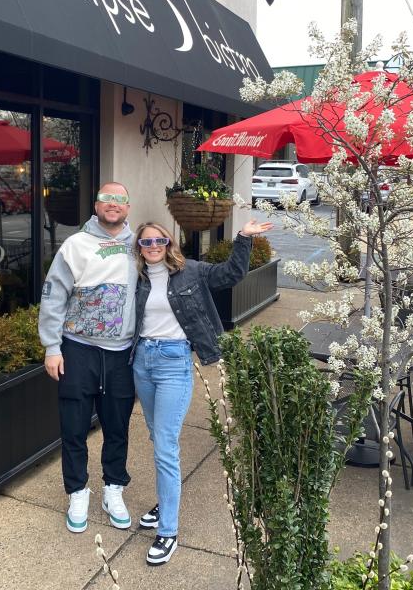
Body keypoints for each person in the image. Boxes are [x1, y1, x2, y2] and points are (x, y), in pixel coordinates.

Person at [132, 218, 272, 565]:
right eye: (145, 243)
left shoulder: (191, 271)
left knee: (165, 445)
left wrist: (242, 239)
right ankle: (166, 501)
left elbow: (231, 275)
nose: (152, 247)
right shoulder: (136, 278)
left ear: (169, 242)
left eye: (158, 241)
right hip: (142, 362)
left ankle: (168, 531)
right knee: (156, 438)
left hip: (173, 362)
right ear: (138, 248)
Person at [38, 182, 138, 534]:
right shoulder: (75, 245)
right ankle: (77, 491)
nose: (113, 205)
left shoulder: (141, 246)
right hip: (77, 349)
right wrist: (51, 347)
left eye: (119, 200)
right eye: (106, 199)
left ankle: (114, 488)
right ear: (96, 205)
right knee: (74, 426)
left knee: (117, 427)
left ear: (127, 208)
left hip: (122, 354)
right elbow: (53, 298)